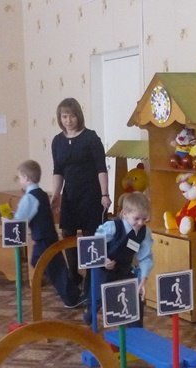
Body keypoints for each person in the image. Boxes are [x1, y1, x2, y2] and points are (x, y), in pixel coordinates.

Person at [51, 97, 110, 287]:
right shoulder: (57, 141)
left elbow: (101, 168)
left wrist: (105, 194)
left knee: (90, 236)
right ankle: (73, 275)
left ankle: (91, 281)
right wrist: (56, 194)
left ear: (79, 116)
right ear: (60, 118)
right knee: (67, 233)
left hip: (91, 195)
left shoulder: (91, 138)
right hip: (70, 195)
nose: (68, 120)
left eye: (72, 116)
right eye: (64, 116)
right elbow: (58, 171)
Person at [14, 159, 85, 309]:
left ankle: (72, 298)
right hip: (48, 236)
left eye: (20, 177)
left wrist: (11, 218)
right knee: (41, 263)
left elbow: (20, 218)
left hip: (43, 239)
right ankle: (71, 291)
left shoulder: (29, 198)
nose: (19, 181)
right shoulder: (42, 194)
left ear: (26, 178)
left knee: (54, 268)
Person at [83, 191, 153, 328]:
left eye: (144, 219)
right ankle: (89, 316)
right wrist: (103, 259)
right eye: (136, 218)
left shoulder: (145, 233)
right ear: (125, 214)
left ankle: (136, 330)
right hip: (103, 269)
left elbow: (145, 257)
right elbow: (95, 244)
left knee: (134, 299)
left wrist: (143, 278)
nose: (140, 223)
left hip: (124, 269)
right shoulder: (112, 227)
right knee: (97, 299)